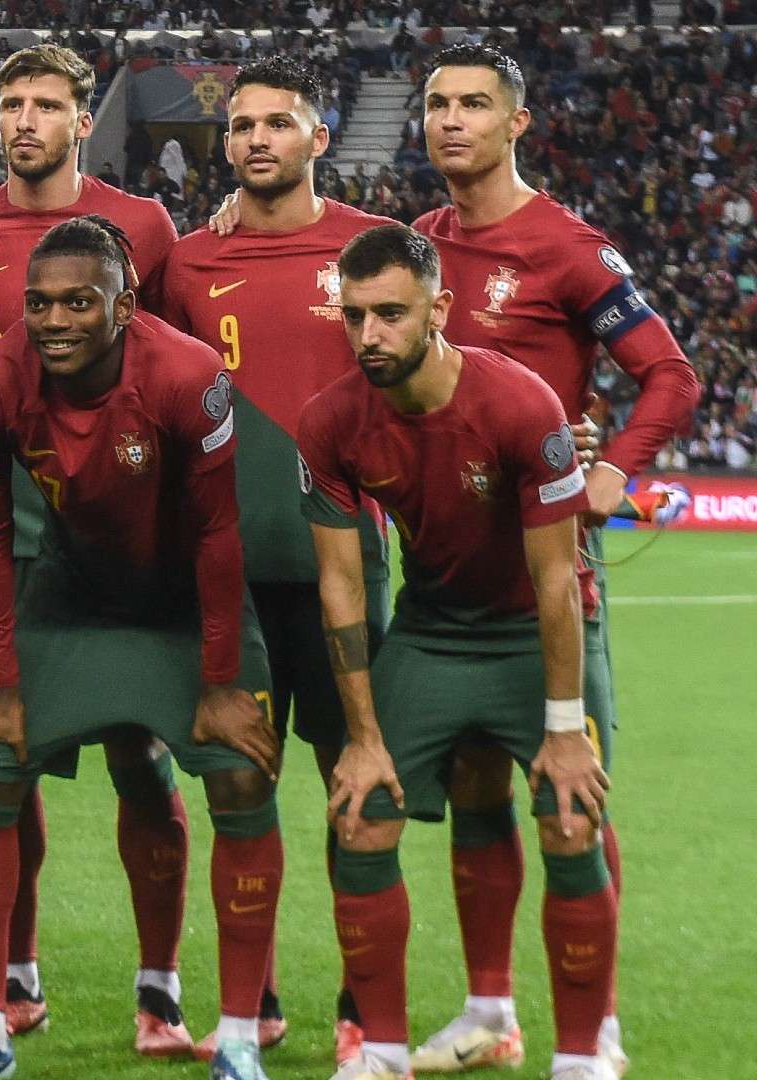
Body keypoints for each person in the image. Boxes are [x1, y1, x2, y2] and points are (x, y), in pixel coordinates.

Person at [0, 216, 280, 1080]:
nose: (55, 319)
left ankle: (236, 1037)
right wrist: (0, 684)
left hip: (182, 598)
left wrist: (221, 680)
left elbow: (220, 533)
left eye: (79, 301)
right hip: (69, 594)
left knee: (237, 770)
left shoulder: (190, 375)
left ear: (125, 305)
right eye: (38, 303)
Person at [408, 46, 695, 1075]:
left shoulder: (569, 249)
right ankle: (489, 1014)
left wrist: (614, 468)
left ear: (516, 124)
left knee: (570, 799)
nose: (451, 120)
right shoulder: (418, 246)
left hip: (547, 575)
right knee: (477, 787)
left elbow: (668, 373)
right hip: (440, 572)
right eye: (437, 103)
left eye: (474, 104)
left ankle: (597, 1031)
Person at [299, 223, 616, 1080]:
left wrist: (562, 728)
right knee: (361, 815)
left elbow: (556, 583)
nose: (369, 336)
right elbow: (341, 588)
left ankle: (585, 1057)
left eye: (391, 315)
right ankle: (384, 1053)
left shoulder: (520, 404)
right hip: (433, 631)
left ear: (439, 309)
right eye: (354, 316)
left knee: (569, 814)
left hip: (533, 634)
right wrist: (361, 737)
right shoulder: (329, 422)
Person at [0, 42, 188, 1049]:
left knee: (142, 752)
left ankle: (158, 990)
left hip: (125, 536)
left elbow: (180, 360)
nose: (23, 120)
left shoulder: (147, 228)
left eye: (44, 105)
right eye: (10, 103)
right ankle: (14, 983)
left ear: (84, 120)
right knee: (2, 753)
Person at [159, 56, 395, 1062]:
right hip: (228, 583)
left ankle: (360, 1009)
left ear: (318, 138)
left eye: (278, 123)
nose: (257, 138)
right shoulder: (187, 263)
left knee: (357, 787)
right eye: (242, 125)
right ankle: (246, 1013)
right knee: (237, 791)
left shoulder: (374, 252)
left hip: (344, 570)